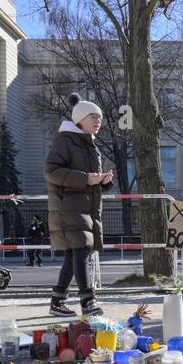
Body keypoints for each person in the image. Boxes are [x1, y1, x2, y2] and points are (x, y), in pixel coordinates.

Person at [45, 93, 113, 316]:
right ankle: (88, 301)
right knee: (81, 249)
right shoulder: (66, 140)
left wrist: (103, 182)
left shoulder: (89, 145)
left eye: (100, 117)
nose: (98, 121)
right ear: (80, 118)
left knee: (73, 256)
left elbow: (88, 179)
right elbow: (52, 171)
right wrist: (86, 178)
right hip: (69, 207)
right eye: (93, 116)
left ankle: (57, 302)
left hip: (84, 208)